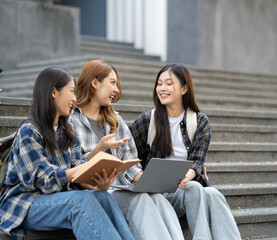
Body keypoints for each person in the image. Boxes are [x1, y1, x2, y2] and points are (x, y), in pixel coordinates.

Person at [0, 67, 134, 240]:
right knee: (81, 202)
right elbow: (44, 179)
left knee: (103, 198)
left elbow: (76, 173)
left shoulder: (68, 133)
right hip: (26, 204)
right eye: (71, 92)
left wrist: (96, 183)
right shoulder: (29, 131)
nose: (75, 99)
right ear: (54, 92)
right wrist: (80, 170)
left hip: (59, 200)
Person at [69, 60, 184, 240]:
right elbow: (72, 166)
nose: (116, 89)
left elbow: (129, 163)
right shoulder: (71, 121)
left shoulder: (115, 121)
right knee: (140, 200)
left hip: (120, 188)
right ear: (94, 83)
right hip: (92, 193)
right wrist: (100, 149)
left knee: (157, 198)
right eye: (113, 82)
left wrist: (150, 182)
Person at [129, 64, 241, 240]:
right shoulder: (147, 120)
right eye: (159, 83)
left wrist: (186, 177)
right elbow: (126, 153)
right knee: (196, 188)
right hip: (157, 195)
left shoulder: (199, 121)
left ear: (184, 89)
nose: (162, 88)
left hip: (187, 190)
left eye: (168, 83)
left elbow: (198, 161)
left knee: (211, 193)